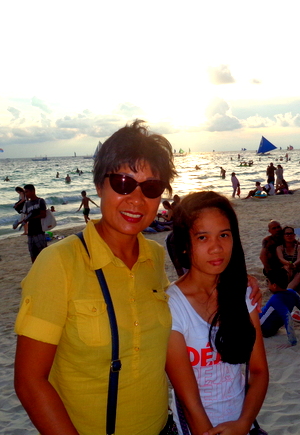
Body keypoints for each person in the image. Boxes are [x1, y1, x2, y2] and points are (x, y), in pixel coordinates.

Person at [14, 120, 180, 434]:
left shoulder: (154, 257)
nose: (136, 199)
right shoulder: (58, 263)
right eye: (122, 183)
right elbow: (29, 382)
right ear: (100, 186)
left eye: (151, 188)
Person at [165, 191, 268, 434]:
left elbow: (258, 370)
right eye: (202, 237)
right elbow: (190, 403)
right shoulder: (172, 306)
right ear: (183, 246)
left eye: (224, 235)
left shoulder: (242, 294)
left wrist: (243, 423)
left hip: (243, 423)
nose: (216, 248)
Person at [259, 269, 300, 346]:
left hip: (263, 329)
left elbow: (288, 318)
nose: (268, 286)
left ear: (274, 285)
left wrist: (292, 341)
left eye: (268, 283)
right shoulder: (292, 293)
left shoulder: (275, 298)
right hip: (270, 327)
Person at [19, 184, 47, 263]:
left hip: (39, 231)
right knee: (33, 253)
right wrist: (20, 222)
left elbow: (43, 214)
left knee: (42, 252)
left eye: (27, 192)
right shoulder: (27, 204)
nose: (26, 194)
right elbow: (27, 217)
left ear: (33, 191)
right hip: (30, 232)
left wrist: (31, 218)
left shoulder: (40, 201)